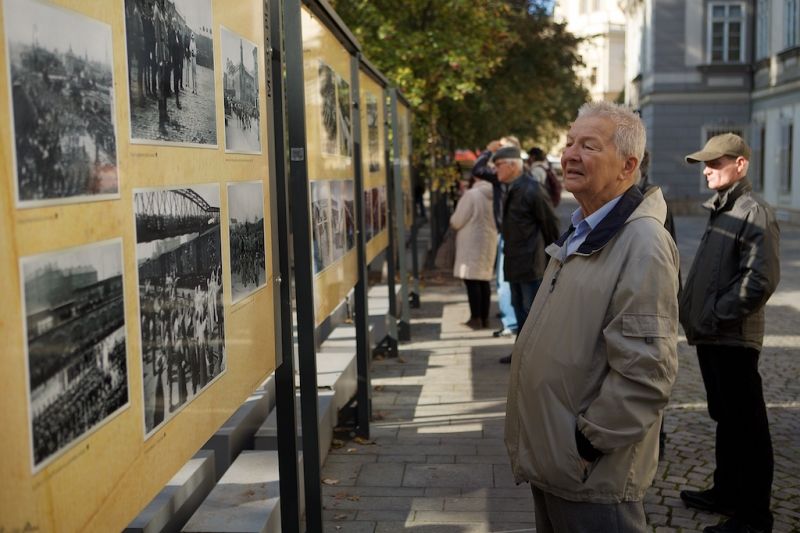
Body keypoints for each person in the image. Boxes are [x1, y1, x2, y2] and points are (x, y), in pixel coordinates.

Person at [504, 101, 680, 532]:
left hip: (591, 477)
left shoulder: (642, 243)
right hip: (557, 463)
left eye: (588, 145)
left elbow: (646, 371)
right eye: (568, 143)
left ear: (627, 165)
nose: (569, 155)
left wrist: (584, 445)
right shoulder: (584, 227)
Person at [678, 133, 780, 533]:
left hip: (732, 337)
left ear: (740, 165)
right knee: (727, 417)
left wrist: (716, 314)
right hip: (713, 334)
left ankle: (754, 517)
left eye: (715, 163)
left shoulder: (753, 211)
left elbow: (760, 280)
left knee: (747, 425)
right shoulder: (724, 207)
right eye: (705, 163)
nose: (706, 170)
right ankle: (726, 492)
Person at [493, 145, 559, 363]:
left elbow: (550, 225)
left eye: (498, 165)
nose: (496, 170)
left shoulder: (532, 189)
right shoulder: (513, 187)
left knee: (532, 312)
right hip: (515, 261)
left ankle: (536, 357)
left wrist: (553, 258)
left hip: (531, 262)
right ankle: (522, 353)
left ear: (512, 166)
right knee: (520, 309)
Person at [473, 137, 520, 338]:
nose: (496, 162)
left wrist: (488, 150)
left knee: (507, 282)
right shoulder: (505, 178)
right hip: (507, 233)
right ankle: (513, 322)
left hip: (514, 236)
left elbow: (477, 169)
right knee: (507, 282)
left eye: (502, 151)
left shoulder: (511, 179)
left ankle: (512, 323)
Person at [449, 173, 498, 329]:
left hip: (471, 242)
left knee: (471, 280)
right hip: (488, 240)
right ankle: (485, 318)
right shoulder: (495, 194)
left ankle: (475, 317)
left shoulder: (472, 195)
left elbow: (457, 221)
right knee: (484, 280)